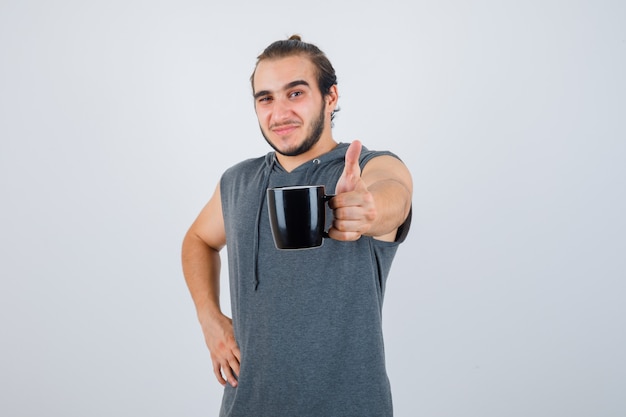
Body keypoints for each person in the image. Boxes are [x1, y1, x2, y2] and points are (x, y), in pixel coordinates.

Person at [181, 34, 413, 417]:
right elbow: (198, 239)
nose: (279, 112)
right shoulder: (238, 181)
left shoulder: (367, 168)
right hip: (247, 406)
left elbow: (395, 193)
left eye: (295, 93)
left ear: (331, 97)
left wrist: (368, 209)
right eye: (266, 98)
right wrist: (210, 319)